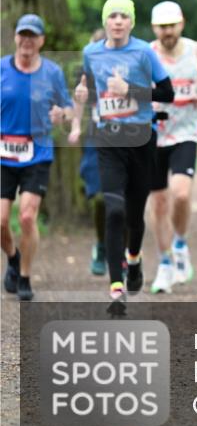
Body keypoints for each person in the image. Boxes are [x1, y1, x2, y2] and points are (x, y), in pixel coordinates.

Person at [75, 0, 174, 302]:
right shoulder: (91, 53)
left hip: (141, 140)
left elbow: (167, 93)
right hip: (109, 139)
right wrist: (83, 96)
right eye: (112, 16)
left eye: (123, 16)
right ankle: (116, 285)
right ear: (105, 21)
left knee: (134, 214)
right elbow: (90, 90)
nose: (117, 21)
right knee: (114, 209)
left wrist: (129, 90)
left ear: (131, 22)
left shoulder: (144, 52)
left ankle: (133, 258)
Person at [0, 14, 74, 301]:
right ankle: (13, 257)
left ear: (42, 40)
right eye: (23, 35)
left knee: (28, 216)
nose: (27, 41)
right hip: (4, 155)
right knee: (1, 221)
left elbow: (68, 109)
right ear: (16, 37)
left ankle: (25, 277)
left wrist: (61, 114)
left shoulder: (52, 72)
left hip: (37, 153)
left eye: (33, 35)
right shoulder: (2, 69)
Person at [148, 1, 197, 293]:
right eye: (162, 27)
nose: (167, 32)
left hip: (186, 132)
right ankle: (164, 263)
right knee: (159, 202)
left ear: (181, 24)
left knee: (181, 194)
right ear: (154, 28)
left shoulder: (196, 50)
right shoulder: (147, 55)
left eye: (171, 26)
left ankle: (180, 243)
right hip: (154, 135)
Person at [69, 28, 107, 276]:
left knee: (124, 199)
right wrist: (75, 126)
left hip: (127, 136)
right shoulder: (85, 71)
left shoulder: (129, 64)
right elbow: (79, 98)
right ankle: (102, 246)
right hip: (96, 137)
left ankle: (127, 254)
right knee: (101, 198)